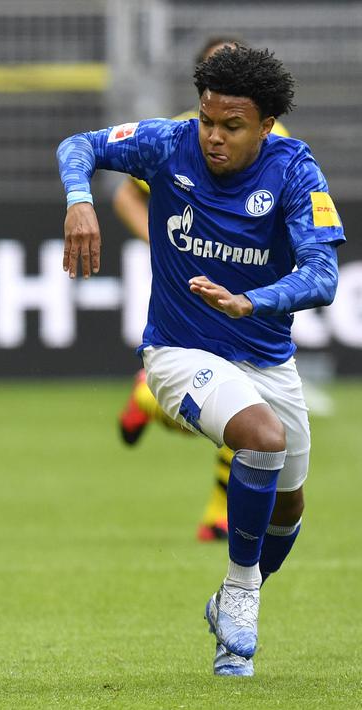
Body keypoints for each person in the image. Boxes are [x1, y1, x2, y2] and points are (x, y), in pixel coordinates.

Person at [58, 45, 343, 676]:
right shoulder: (168, 143)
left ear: (266, 126)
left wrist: (251, 301)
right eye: (208, 120)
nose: (214, 136)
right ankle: (240, 593)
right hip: (178, 351)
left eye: (232, 126)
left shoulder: (296, 171)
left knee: (287, 511)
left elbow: (323, 275)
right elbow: (79, 144)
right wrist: (79, 199)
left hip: (266, 356)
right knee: (261, 439)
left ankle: (231, 601)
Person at [113, 37, 291, 543]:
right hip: (192, 292)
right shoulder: (181, 137)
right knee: (235, 412)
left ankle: (215, 510)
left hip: (249, 296)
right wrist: (163, 242)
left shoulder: (278, 140)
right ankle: (217, 508)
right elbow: (126, 195)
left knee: (245, 414)